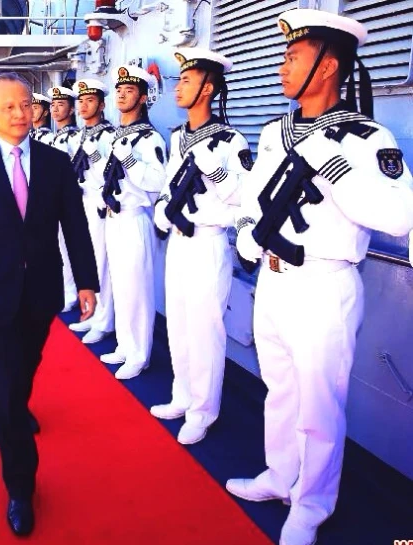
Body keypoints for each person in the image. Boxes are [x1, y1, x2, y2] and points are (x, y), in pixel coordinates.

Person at [227, 9, 413, 545]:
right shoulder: (272, 131)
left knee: (319, 401)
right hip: (274, 278)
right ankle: (281, 475)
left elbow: (399, 217)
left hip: (324, 285)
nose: (282, 66)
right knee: (279, 388)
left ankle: (313, 503)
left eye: (293, 57)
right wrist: (246, 230)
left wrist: (335, 168)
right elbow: (250, 197)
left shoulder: (365, 137)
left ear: (328, 65)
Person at [0, 72, 99, 537]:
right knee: (7, 390)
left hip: (41, 291)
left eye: (25, 105)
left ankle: (19, 399)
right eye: (9, 107)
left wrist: (87, 282)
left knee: (25, 366)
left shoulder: (56, 163)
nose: (20, 114)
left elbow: (75, 225)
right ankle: (20, 487)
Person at [149, 48, 251, 445]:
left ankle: (203, 410)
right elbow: (167, 187)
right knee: (177, 323)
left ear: (208, 88)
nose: (180, 87)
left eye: (188, 81)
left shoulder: (230, 140)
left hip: (208, 242)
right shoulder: (178, 138)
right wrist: (162, 209)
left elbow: (244, 196)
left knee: (205, 329)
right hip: (178, 241)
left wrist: (218, 172)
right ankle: (183, 394)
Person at [99, 65, 167, 380]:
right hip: (113, 218)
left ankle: (140, 353)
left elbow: (157, 181)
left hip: (135, 218)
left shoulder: (149, 137)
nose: (122, 95)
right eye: (119, 90)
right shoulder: (117, 134)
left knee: (137, 289)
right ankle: (126, 345)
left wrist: (129, 159)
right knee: (121, 285)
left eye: (129, 91)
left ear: (142, 97)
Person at [67, 78, 117, 344]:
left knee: (99, 262)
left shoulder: (109, 135)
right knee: (85, 260)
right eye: (81, 101)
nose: (84, 106)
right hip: (81, 201)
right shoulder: (79, 135)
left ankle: (103, 320)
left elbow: (110, 174)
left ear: (101, 104)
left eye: (89, 100)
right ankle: (90, 312)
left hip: (99, 203)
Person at [48, 85, 82, 312]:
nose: (55, 109)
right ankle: (62, 289)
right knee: (57, 249)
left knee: (70, 249)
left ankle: (71, 294)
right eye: (53, 104)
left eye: (61, 105)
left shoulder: (75, 137)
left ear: (71, 109)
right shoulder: (55, 137)